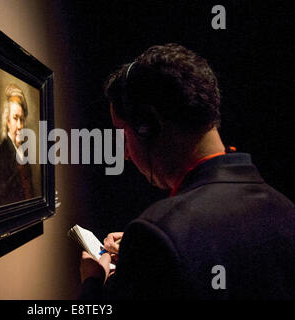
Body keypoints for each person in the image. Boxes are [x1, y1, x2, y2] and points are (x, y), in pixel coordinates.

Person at [79, 43, 295, 299]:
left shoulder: (155, 232)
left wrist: (93, 283)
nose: (125, 152)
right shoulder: (285, 209)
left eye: (123, 133)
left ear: (148, 126)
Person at [0, 84, 33, 207]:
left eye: (22, 119)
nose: (20, 126)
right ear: (7, 121)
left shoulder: (23, 152)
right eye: (15, 118)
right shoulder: (2, 153)